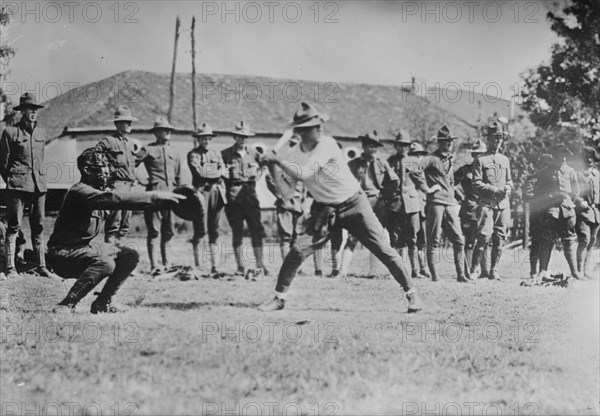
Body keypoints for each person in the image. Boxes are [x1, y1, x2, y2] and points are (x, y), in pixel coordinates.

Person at [257, 102, 423, 313]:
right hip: (324, 209)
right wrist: (272, 166)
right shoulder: (293, 155)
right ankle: (279, 298)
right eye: (312, 126)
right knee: (297, 251)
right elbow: (287, 192)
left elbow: (306, 173)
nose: (320, 129)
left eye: (319, 125)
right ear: (300, 131)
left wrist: (277, 159)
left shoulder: (327, 144)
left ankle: (413, 295)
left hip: (354, 204)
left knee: (383, 250)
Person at [47, 148, 185, 313]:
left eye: (107, 166)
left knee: (129, 255)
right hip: (62, 255)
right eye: (102, 166)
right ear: (87, 170)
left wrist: (161, 203)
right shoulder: (80, 191)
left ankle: (102, 303)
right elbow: (115, 199)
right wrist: (154, 196)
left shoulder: (95, 192)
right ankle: (66, 304)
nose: (107, 171)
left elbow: (121, 201)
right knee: (105, 263)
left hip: (81, 250)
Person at [0, 93, 58, 279]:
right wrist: (13, 179)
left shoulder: (41, 133)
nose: (33, 112)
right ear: (22, 111)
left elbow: (40, 160)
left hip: (38, 186)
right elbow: (3, 163)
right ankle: (10, 268)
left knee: (38, 226)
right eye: (29, 109)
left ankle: (41, 266)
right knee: (14, 226)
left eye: (35, 109)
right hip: (17, 186)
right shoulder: (10, 132)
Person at [339, 131, 399, 276]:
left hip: (377, 202)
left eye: (375, 147)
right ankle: (342, 271)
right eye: (370, 146)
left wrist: (385, 196)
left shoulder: (381, 163)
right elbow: (343, 181)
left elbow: (394, 181)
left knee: (378, 236)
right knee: (353, 236)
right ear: (364, 147)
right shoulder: (353, 164)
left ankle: (374, 271)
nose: (372, 150)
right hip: (358, 202)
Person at [421, 125, 472, 282]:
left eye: (450, 141)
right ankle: (435, 276)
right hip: (435, 202)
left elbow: (450, 181)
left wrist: (456, 192)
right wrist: (427, 189)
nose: (448, 144)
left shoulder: (451, 159)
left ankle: (461, 275)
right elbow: (415, 171)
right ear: (439, 142)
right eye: (445, 141)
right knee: (434, 239)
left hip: (450, 203)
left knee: (458, 239)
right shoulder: (430, 158)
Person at [221, 121, 268, 278]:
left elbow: (264, 165)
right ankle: (240, 266)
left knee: (257, 230)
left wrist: (259, 175)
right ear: (235, 137)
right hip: (234, 197)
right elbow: (219, 171)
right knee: (237, 231)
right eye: (240, 136)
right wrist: (224, 175)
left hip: (250, 196)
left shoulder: (254, 154)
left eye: (246, 137)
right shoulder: (225, 154)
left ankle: (260, 265)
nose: (243, 139)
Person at [135, 116, 181, 271]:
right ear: (156, 132)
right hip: (154, 195)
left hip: (171, 195)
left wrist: (180, 192)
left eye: (169, 130)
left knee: (169, 231)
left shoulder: (174, 151)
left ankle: (166, 263)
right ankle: (154, 265)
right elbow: (130, 165)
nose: (167, 132)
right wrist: (142, 180)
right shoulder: (148, 149)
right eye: (164, 130)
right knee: (154, 231)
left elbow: (179, 175)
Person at [385, 131, 431, 278]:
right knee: (396, 239)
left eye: (406, 145)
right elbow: (384, 184)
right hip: (395, 204)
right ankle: (398, 270)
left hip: (412, 204)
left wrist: (428, 193)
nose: (403, 147)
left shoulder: (413, 162)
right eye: (400, 145)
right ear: (395, 145)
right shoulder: (389, 162)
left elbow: (421, 183)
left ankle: (416, 271)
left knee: (412, 238)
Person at [533, 145, 582, 281]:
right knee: (546, 240)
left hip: (567, 211)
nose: (562, 159)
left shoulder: (571, 171)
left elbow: (575, 192)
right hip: (550, 212)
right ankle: (543, 271)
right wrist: (549, 199)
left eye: (564, 156)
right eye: (560, 156)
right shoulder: (544, 172)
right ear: (554, 156)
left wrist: (568, 201)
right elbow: (538, 193)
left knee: (569, 240)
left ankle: (574, 272)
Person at [95, 105, 139, 246]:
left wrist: (134, 177)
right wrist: (106, 174)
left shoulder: (131, 143)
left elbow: (133, 164)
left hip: (129, 187)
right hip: (116, 185)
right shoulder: (109, 141)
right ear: (117, 123)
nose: (130, 124)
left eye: (130, 121)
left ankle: (120, 256)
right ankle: (109, 256)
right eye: (127, 121)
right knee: (114, 222)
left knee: (125, 223)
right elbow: (95, 156)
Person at [187, 122, 228, 274]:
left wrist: (218, 173)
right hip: (201, 193)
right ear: (198, 139)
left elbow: (224, 169)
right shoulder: (193, 154)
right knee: (200, 229)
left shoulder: (216, 153)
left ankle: (215, 266)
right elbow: (200, 173)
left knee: (215, 229)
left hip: (217, 192)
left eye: (209, 138)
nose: (207, 141)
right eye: (204, 138)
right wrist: (218, 172)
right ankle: (198, 265)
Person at [265, 135, 307, 262]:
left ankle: (294, 266)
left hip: (299, 204)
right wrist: (281, 195)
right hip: (286, 204)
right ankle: (287, 266)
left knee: (297, 237)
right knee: (286, 236)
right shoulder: (282, 161)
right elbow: (270, 178)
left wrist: (304, 201)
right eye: (292, 144)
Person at [454, 139, 489, 278]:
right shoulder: (464, 169)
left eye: (481, 154)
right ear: (473, 155)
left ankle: (484, 270)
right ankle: (468, 271)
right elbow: (450, 183)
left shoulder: (489, 171)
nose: (478, 157)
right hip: (469, 208)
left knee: (484, 239)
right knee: (469, 241)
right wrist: (459, 195)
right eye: (476, 154)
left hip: (485, 209)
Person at [575, 146, 600, 279]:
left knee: (591, 242)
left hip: (596, 213)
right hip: (583, 212)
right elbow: (573, 193)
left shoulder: (597, 175)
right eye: (587, 157)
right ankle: (578, 272)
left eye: (592, 158)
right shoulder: (578, 174)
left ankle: (586, 271)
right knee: (584, 239)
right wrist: (580, 201)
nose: (590, 160)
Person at [407, 142, 431, 278]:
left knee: (423, 239)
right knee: (412, 239)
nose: (418, 158)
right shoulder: (409, 170)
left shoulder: (425, 170)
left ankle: (423, 268)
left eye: (420, 155)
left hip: (423, 208)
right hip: (411, 208)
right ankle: (414, 270)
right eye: (414, 155)